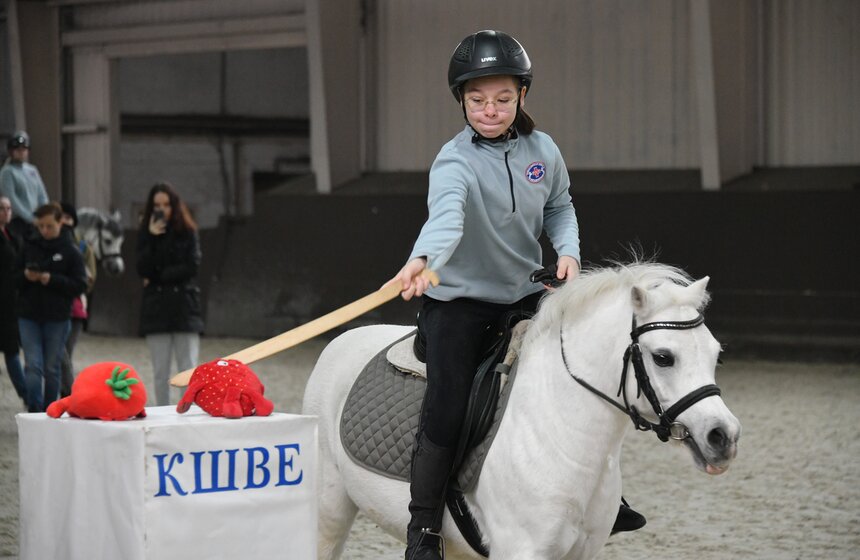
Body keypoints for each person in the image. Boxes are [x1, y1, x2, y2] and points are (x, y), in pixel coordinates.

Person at [386, 31, 642, 560]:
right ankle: (424, 526)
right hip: (458, 302)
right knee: (450, 402)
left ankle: (603, 498)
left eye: (503, 98)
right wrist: (423, 259)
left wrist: (568, 251)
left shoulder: (542, 150)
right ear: (461, 99)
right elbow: (446, 218)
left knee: (585, 372)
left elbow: (560, 206)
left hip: (525, 296)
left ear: (522, 95)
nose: (490, 110)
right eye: (477, 100)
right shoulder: (452, 161)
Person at [136, 182, 203, 406]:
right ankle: (163, 413)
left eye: (166, 204)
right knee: (160, 371)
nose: (162, 209)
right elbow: (142, 268)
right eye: (157, 205)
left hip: (184, 307)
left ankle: (189, 412)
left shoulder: (188, 231)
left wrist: (159, 275)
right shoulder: (146, 234)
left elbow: (191, 266)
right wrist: (153, 239)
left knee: (188, 367)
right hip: (157, 310)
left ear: (174, 205)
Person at [16, 202, 86, 412]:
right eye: (41, 226)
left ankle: (50, 411)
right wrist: (26, 277)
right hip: (28, 316)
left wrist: (51, 279)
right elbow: (12, 278)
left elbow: (80, 284)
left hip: (57, 318)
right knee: (33, 366)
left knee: (52, 368)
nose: (45, 231)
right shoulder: (28, 246)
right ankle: (34, 410)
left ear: (60, 223)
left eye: (49, 226)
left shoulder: (71, 251)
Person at [58, 202, 97, 397]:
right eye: (61, 217)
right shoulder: (46, 244)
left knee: (65, 354)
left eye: (68, 217)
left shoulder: (82, 247)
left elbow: (90, 279)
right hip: (53, 308)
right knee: (58, 356)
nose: (64, 221)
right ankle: (66, 394)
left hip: (76, 308)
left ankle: (67, 395)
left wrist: (74, 284)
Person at [0, 196, 26, 406]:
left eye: (9, 208)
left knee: (12, 349)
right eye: (2, 208)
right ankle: (26, 392)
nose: (6, 212)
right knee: (11, 350)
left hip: (12, 300)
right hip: (4, 300)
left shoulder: (13, 234)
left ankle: (26, 393)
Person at [0, 131, 48, 241]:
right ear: (11, 151)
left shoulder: (32, 170)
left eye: (24, 149)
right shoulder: (7, 172)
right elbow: (12, 199)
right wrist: (30, 218)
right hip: (18, 222)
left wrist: (44, 213)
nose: (21, 152)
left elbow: (42, 195)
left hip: (36, 221)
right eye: (18, 150)